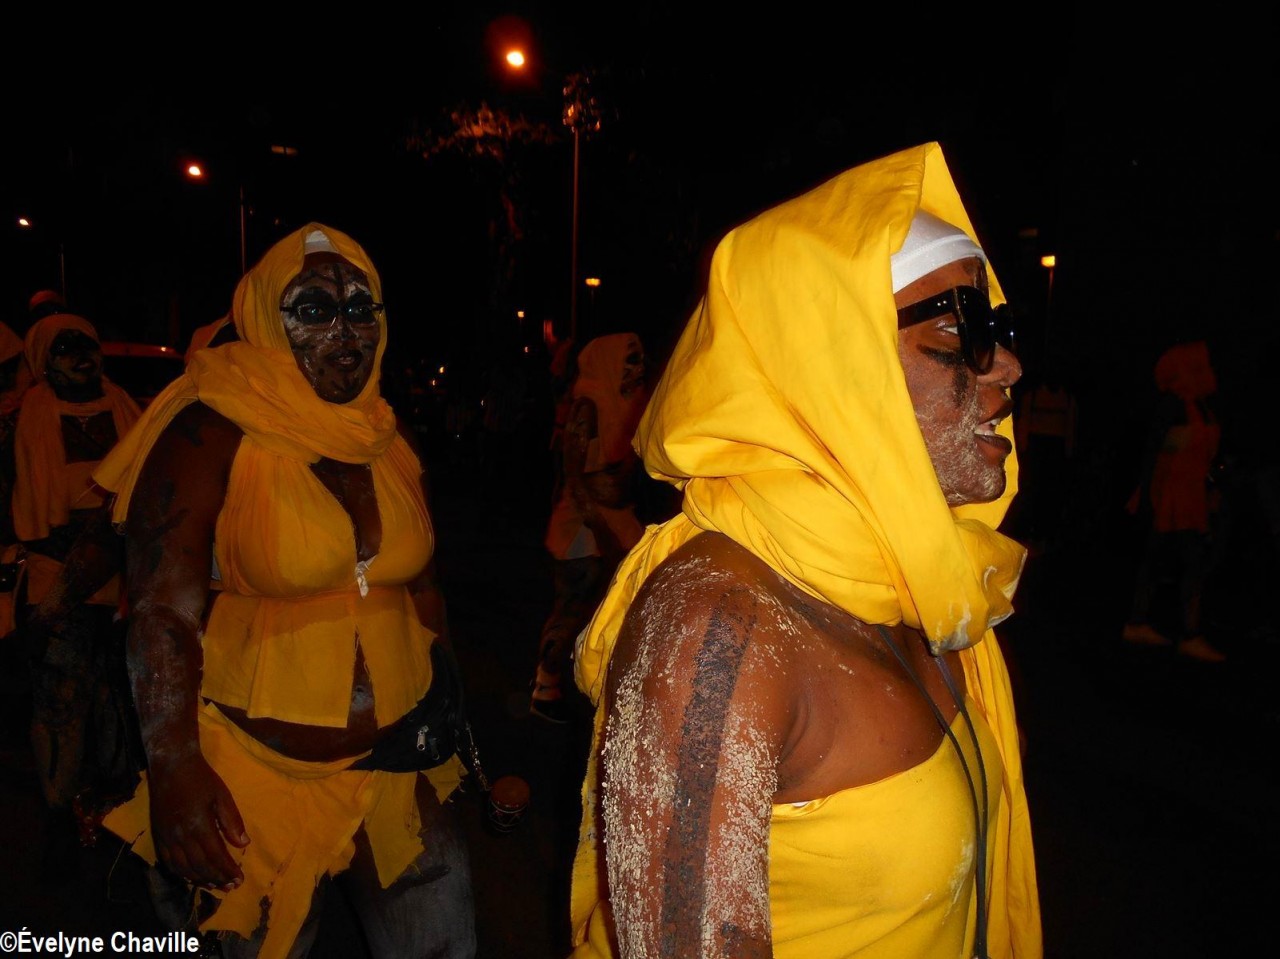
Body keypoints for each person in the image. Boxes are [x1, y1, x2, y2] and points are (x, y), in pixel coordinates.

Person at [567, 143, 1040, 958]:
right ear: (832, 363)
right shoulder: (717, 625)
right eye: (956, 331)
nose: (1008, 367)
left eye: (993, 327)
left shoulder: (922, 579)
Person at [93, 223, 476, 958]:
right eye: (314, 310)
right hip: (251, 772)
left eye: (361, 308)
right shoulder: (210, 430)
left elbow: (425, 589)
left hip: (396, 763)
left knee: (444, 942)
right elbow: (161, 611)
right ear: (268, 318)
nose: (346, 331)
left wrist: (452, 714)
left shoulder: (387, 436)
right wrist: (174, 769)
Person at [9, 313, 142, 835]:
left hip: (124, 582)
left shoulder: (129, 410)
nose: (79, 355)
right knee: (61, 701)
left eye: (85, 343)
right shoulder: (19, 421)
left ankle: (111, 814)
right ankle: (59, 819)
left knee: (117, 701)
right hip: (55, 581)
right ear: (44, 361)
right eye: (64, 348)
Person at [530, 333, 648, 724]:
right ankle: (546, 687)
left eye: (640, 359)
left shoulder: (631, 402)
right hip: (582, 530)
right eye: (629, 360)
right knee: (574, 609)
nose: (637, 368)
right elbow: (575, 476)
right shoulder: (589, 405)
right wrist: (601, 531)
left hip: (617, 521)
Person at [1121, 340, 1227, 662]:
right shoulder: (1173, 406)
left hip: (1192, 493)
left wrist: (1212, 489)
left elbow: (1207, 457)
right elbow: (1152, 453)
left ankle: (1142, 622)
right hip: (1169, 493)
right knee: (1182, 560)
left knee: (1169, 560)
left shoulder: (1201, 406)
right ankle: (1185, 632)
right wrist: (1147, 497)